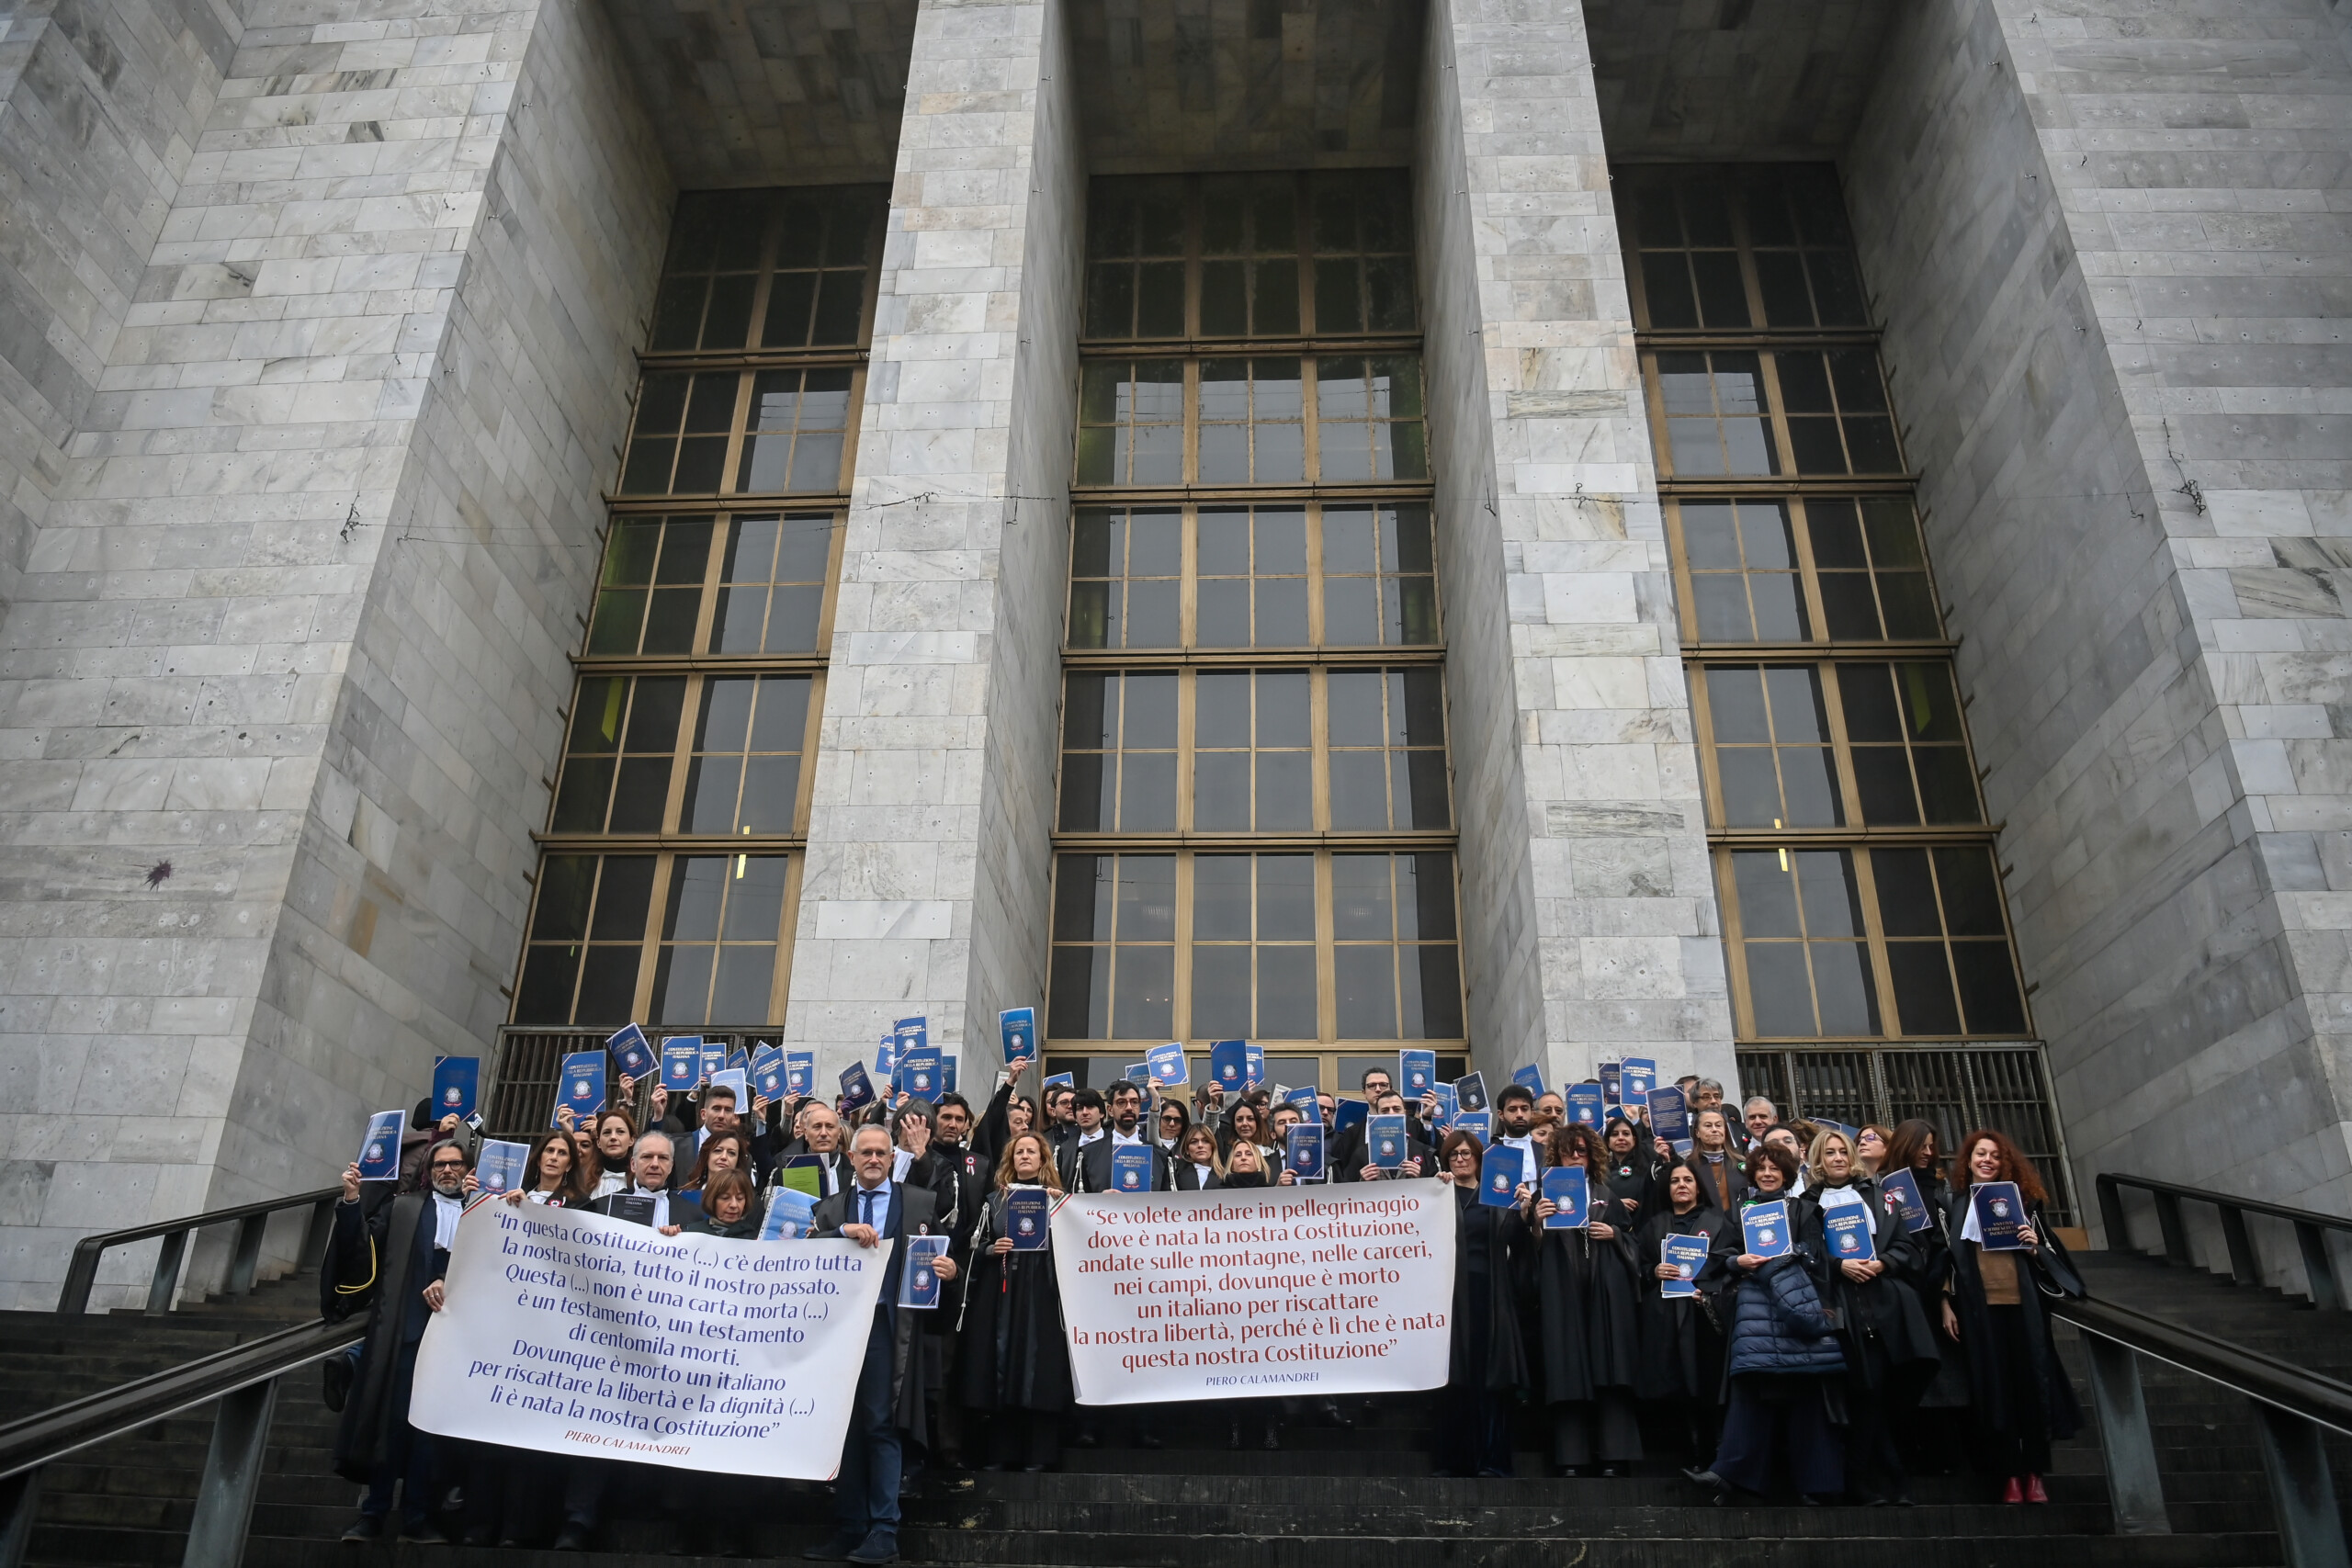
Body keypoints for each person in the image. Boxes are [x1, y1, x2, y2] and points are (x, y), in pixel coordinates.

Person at [806, 1123, 957, 1565]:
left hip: (889, 1332)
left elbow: (948, 1258)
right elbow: (802, 1254)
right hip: (837, 1335)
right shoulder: (830, 1210)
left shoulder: (922, 1203)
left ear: (894, 1159)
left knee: (881, 1426)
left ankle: (884, 1530)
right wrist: (839, 1235)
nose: (873, 1159)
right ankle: (850, 1527)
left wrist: (950, 1273)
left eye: (882, 1153)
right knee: (844, 1431)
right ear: (850, 1158)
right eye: (865, 1152)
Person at [326, 1138, 472, 1543]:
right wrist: (353, 1202)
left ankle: (417, 1517)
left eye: (456, 1164)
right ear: (429, 1170)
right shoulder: (405, 1208)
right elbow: (364, 1254)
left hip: (459, 1343)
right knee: (390, 1425)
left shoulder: (485, 1213)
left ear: (468, 1169)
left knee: (432, 1434)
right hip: (406, 1334)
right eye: (440, 1164)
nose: (448, 1170)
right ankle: (373, 1513)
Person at [1690, 1141, 1847, 1506]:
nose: (1767, 1174)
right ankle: (1730, 1477)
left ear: (1787, 1173)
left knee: (1808, 1398)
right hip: (1755, 1321)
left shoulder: (1807, 1211)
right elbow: (1715, 1261)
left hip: (1797, 1312)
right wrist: (1737, 1263)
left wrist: (1780, 1263)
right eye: (1760, 1169)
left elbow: (1818, 1261)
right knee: (1749, 1396)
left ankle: (1817, 1487)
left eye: (1774, 1168)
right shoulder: (1738, 1214)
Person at [1942, 1128, 2080, 1504]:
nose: (1987, 1160)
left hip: (2024, 1309)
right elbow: (1944, 1261)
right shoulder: (1953, 1205)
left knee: (2030, 1390)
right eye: (1980, 1154)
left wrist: (2035, 1249)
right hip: (1978, 1313)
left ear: (2006, 1162)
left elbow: (2054, 1258)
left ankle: (2034, 1474)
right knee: (1995, 1393)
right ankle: (2009, 1476)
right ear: (1968, 1161)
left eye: (1995, 1155)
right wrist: (1944, 1303)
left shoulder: (2025, 1203)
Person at [1804, 1127, 1936, 1505]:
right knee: (1864, 1393)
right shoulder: (1806, 1204)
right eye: (1829, 1153)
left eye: (1843, 1151)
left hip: (1885, 1308)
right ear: (1818, 1160)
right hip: (1839, 1309)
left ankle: (1870, 1478)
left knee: (1876, 1392)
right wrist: (1839, 1265)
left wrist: (1882, 1262)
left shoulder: (1880, 1198)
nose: (1838, 1158)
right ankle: (1887, 1478)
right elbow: (1806, 1254)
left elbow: (1908, 1248)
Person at [1525, 1123, 1643, 1477]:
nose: (1575, 1156)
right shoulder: (1542, 1197)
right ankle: (1571, 1457)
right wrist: (1537, 1224)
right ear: (1556, 1155)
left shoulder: (1607, 1195)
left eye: (1582, 1150)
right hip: (1562, 1296)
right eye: (1568, 1151)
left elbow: (1637, 1251)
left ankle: (1614, 1455)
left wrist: (1615, 1234)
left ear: (1592, 1156)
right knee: (1567, 1371)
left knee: (1610, 1371)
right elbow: (1525, 1255)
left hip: (1604, 1296)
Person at [953, 1132, 1072, 1473]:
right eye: (1018, 1151)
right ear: (1011, 1159)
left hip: (1042, 1294)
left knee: (1038, 1370)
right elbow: (974, 1245)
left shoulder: (1059, 1201)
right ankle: (1001, 1452)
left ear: (1042, 1159)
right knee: (1001, 1367)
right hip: (1003, 1292)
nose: (1024, 1156)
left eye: (1031, 1151)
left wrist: (1061, 1208)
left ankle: (1039, 1454)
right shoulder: (995, 1200)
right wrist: (992, 1249)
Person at [1434, 1129, 1527, 1477]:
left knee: (1489, 1379)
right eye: (1454, 1154)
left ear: (1478, 1158)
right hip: (1448, 1297)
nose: (1460, 1159)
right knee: (1452, 1379)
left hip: (1489, 1295)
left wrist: (1523, 1211)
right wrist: (1433, 1188)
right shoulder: (1437, 1192)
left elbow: (1513, 1243)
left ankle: (1492, 1460)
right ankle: (1452, 1461)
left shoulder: (1497, 1197)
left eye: (1466, 1153)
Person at [1634, 1158, 1731, 1464]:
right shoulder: (1653, 1225)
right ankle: (1681, 1453)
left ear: (1699, 1187)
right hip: (1663, 1317)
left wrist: (1710, 1286)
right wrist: (1653, 1271)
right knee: (1670, 1385)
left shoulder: (1719, 1224)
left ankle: (1711, 1452)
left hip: (1703, 1316)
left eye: (1688, 1180)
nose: (1682, 1186)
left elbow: (1732, 1263)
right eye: (1675, 1181)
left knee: (1706, 1384)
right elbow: (1636, 1265)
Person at [1066, 1082, 1172, 1192]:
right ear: (1110, 1110)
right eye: (1121, 1103)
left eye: (1134, 1102)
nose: (1129, 1108)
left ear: (1139, 1107)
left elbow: (1170, 1202)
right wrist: (1099, 1200)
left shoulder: (1160, 1156)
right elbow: (1076, 1200)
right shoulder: (1088, 1154)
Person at [587, 1132, 690, 1232]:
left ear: (671, 1166)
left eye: (663, 1158)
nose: (655, 1164)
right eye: (647, 1157)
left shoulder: (691, 1214)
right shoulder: (602, 1208)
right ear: (633, 1164)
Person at [1343, 1090, 1430, 1181]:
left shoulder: (1423, 1151)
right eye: (1385, 1110)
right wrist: (1361, 1180)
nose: (1391, 1114)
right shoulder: (1362, 1153)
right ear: (1377, 1115)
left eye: (1396, 1109)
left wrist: (1422, 1176)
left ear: (1405, 1113)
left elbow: (1436, 1188)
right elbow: (1345, 1189)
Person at [497, 1129, 589, 1208]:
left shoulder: (579, 1203)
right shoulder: (516, 1188)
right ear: (539, 1160)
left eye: (562, 1153)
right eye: (550, 1150)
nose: (554, 1157)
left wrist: (527, 1207)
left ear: (569, 1165)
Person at [1687, 1108, 1745, 1213]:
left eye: (1718, 1125)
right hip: (1703, 1226)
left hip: (1736, 1225)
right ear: (1697, 1133)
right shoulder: (1688, 1167)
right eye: (1708, 1125)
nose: (1714, 1129)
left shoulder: (1740, 1164)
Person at [1600, 1114, 1657, 1214]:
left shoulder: (1648, 1166)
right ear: (1608, 1142)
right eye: (1614, 1134)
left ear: (1634, 1140)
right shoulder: (1600, 1172)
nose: (1621, 1138)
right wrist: (1616, 1204)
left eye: (1626, 1134)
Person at [685, 1169, 762, 1238]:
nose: (734, 1205)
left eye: (739, 1198)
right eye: (725, 1198)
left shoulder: (753, 1239)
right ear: (712, 1200)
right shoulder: (690, 1234)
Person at [1172, 1123, 1224, 1190]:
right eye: (1194, 1142)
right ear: (1187, 1149)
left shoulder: (1225, 1175)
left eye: (1206, 1141)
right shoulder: (1176, 1171)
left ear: (1212, 1146)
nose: (1200, 1145)